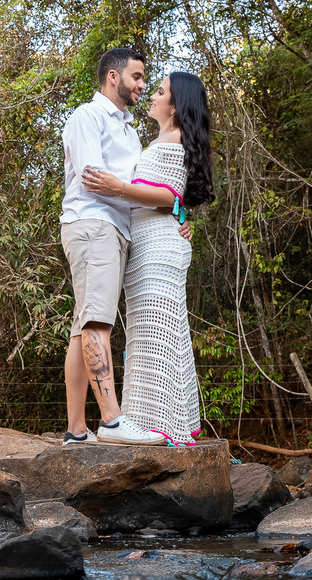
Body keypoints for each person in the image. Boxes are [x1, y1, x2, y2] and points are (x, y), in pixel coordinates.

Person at [81, 71, 214, 446]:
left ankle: (164, 425)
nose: (152, 96)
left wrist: (119, 188)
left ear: (176, 105)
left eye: (160, 92)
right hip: (147, 245)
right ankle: (143, 421)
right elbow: (178, 200)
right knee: (145, 334)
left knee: (160, 331)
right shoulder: (161, 139)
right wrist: (181, 215)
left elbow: (170, 195)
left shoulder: (177, 137)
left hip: (159, 248)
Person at [59, 48, 177, 446]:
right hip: (94, 224)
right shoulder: (87, 116)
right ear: (114, 77)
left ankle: (76, 431)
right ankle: (111, 420)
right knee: (97, 321)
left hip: (117, 228)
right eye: (138, 76)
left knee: (82, 326)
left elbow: (128, 186)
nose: (143, 85)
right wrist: (155, 200)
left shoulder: (127, 127)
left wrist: (168, 209)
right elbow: (96, 180)